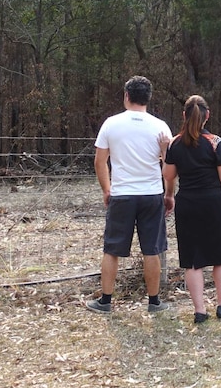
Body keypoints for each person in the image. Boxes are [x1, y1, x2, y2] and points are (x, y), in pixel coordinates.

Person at [87, 75, 173, 314]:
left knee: (112, 249)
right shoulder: (160, 127)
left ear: (126, 96)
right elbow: (169, 168)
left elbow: (99, 161)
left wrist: (107, 189)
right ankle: (154, 301)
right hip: (151, 194)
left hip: (122, 194)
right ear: (148, 98)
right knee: (152, 249)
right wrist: (169, 194)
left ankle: (105, 300)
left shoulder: (111, 124)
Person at [162, 95, 221, 324]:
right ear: (207, 116)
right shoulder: (215, 142)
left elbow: (168, 176)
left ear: (184, 115)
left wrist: (169, 192)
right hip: (213, 203)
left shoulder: (174, 144)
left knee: (192, 259)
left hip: (187, 204)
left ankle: (200, 311)